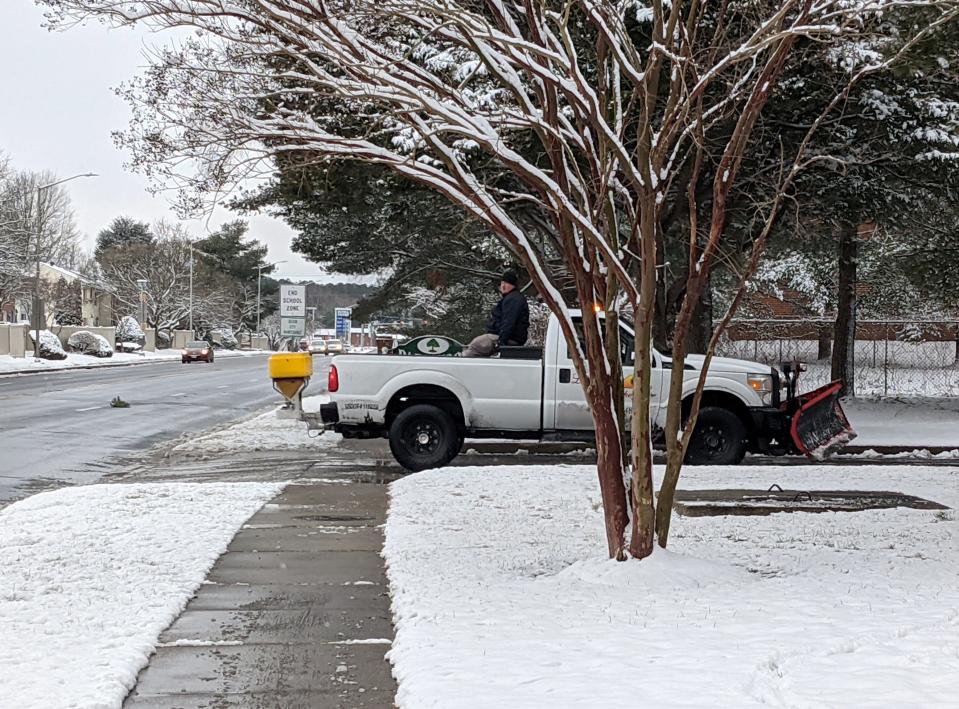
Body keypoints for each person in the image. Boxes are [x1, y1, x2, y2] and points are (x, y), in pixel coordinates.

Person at [463, 269, 529, 357]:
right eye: (502, 283)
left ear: (513, 285)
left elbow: (509, 321)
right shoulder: (511, 298)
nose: (503, 286)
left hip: (508, 338)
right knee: (475, 345)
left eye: (507, 283)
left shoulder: (513, 299)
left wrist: (502, 342)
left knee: (476, 345)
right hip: (502, 336)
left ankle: (462, 362)